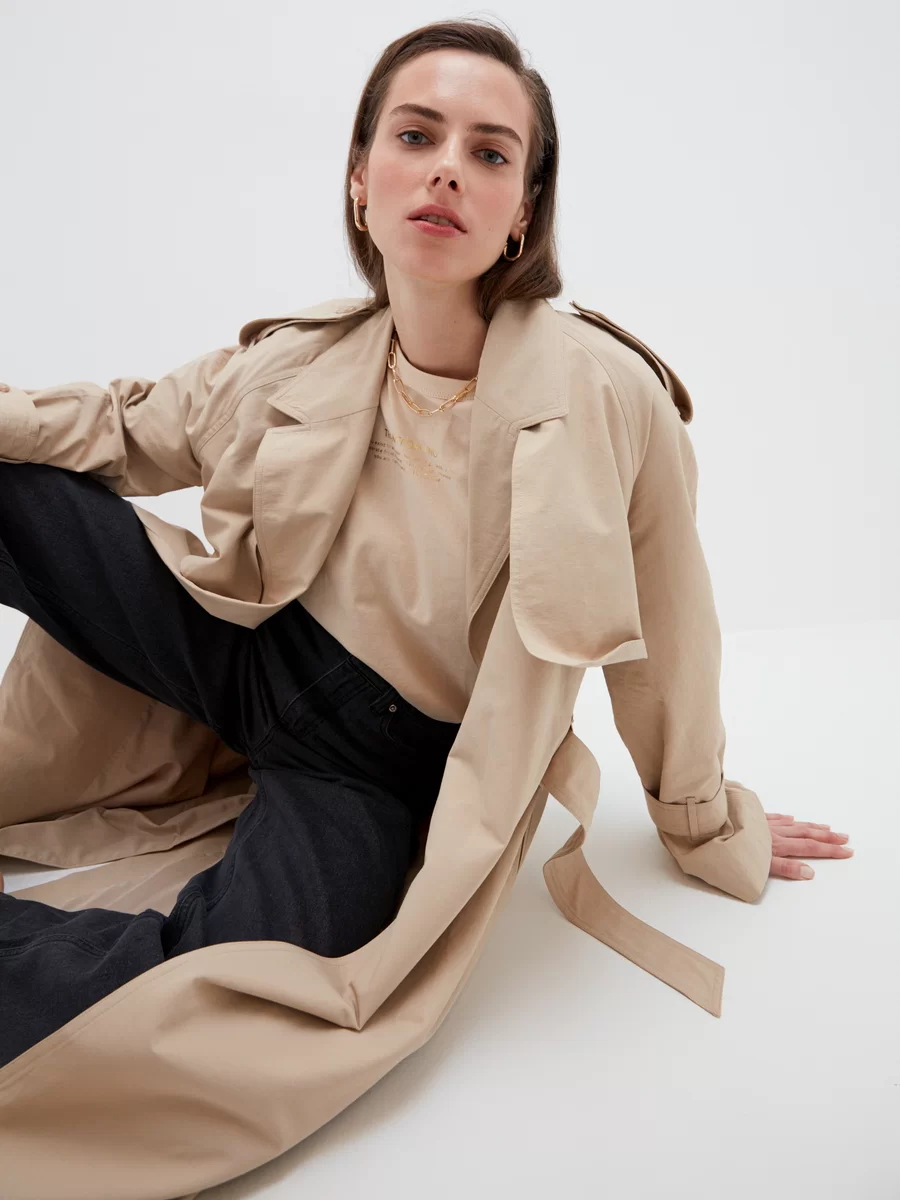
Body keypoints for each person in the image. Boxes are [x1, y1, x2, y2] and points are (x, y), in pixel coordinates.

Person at [0, 17, 852, 1074]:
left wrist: (704, 821)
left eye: (490, 153)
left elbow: (670, 634)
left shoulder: (607, 396)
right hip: (243, 648)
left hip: (375, 763)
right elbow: (123, 428)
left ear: (522, 210)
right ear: (361, 179)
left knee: (237, 984)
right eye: (416, 136)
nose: (448, 168)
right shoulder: (304, 357)